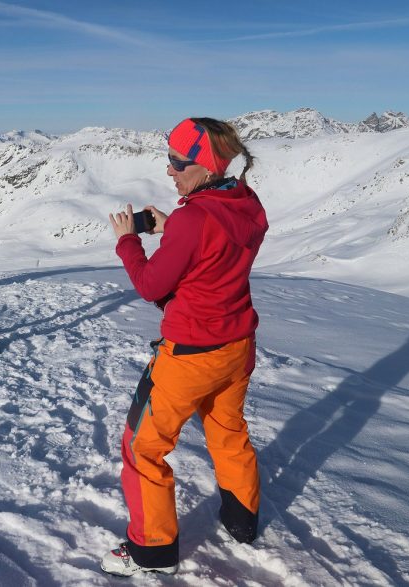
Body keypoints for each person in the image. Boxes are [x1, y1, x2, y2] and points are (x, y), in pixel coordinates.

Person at [100, 117, 268, 576]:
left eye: (177, 161)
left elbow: (152, 283)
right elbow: (220, 250)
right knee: (228, 431)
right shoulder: (245, 202)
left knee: (143, 448)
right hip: (237, 347)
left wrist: (129, 241)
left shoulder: (194, 220)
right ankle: (242, 520)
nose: (169, 170)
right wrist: (175, 229)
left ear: (206, 166)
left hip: (190, 355)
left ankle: (151, 549)